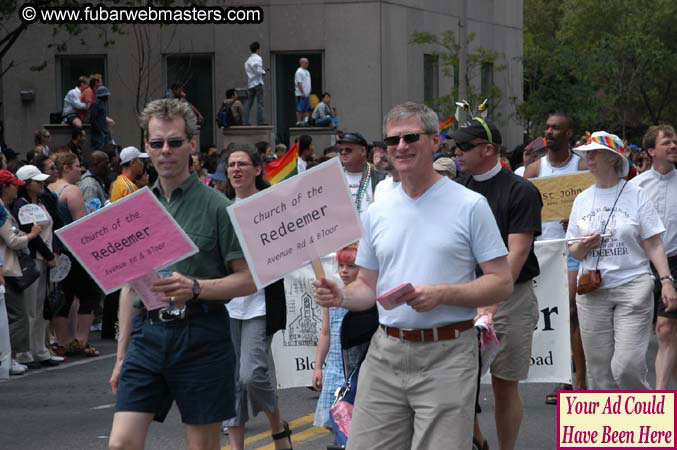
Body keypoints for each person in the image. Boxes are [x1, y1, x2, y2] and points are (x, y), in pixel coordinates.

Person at [312, 102, 513, 450]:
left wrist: (442, 294)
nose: (400, 147)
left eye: (411, 137)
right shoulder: (378, 210)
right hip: (385, 351)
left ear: (435, 142)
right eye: (392, 141)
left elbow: (501, 281)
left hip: (448, 353)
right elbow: (366, 287)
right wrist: (341, 295)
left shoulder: (469, 205)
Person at [108, 98, 256, 450]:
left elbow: (249, 279)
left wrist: (196, 287)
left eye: (174, 142)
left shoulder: (218, 206)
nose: (165, 151)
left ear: (192, 143)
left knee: (202, 447)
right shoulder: (136, 209)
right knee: (120, 444)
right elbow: (131, 289)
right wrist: (121, 356)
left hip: (202, 335)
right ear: (146, 148)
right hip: (148, 334)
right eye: (157, 143)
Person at [454, 117, 542, 450]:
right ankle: (479, 441)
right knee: (459, 383)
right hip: (464, 295)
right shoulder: (458, 189)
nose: (457, 152)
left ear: (488, 149)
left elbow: (517, 254)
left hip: (510, 297)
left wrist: (489, 306)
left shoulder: (521, 190)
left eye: (465, 146)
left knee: (504, 384)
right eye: (456, 146)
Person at [567, 131, 677, 390]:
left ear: (613, 159)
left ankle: (646, 416)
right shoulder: (582, 199)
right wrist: (582, 246)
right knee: (600, 372)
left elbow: (653, 243)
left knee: (625, 367)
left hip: (633, 287)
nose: (589, 159)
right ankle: (614, 429)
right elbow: (572, 250)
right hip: (592, 291)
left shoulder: (636, 194)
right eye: (587, 154)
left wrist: (667, 281)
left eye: (594, 153)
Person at [220, 145, 291, 450]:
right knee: (231, 380)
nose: (236, 169)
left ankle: (277, 425)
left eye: (242, 164)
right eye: (231, 164)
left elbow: (288, 248)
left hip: (260, 303)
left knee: (251, 375)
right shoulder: (220, 208)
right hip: (225, 303)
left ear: (257, 170)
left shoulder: (271, 206)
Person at [524, 113, 589, 401]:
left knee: (573, 311)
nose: (549, 132)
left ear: (568, 133)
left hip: (574, 248)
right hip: (545, 251)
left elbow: (595, 203)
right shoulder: (534, 170)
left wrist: (577, 220)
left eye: (556, 128)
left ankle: (581, 382)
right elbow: (523, 210)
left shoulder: (582, 166)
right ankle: (564, 378)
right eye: (547, 127)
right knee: (558, 317)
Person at [629, 125, 677, 389]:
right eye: (667, 142)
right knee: (651, 335)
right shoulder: (635, 187)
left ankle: (659, 399)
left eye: (675, 142)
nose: (673, 146)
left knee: (666, 330)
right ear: (650, 150)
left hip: (675, 264)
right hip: (640, 266)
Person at [48, 153, 101, 358]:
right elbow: (82, 226)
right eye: (78, 166)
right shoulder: (73, 191)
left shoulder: (51, 188)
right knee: (90, 294)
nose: (80, 169)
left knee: (64, 296)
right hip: (74, 250)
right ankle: (80, 340)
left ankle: (63, 341)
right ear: (67, 167)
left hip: (58, 251)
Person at [12, 165, 61, 369]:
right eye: (37, 181)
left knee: (41, 308)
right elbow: (32, 236)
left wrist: (54, 251)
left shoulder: (40, 202)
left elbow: (51, 228)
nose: (42, 184)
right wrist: (49, 254)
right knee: (31, 307)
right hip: (34, 259)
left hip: (45, 258)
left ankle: (40, 349)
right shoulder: (21, 205)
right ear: (26, 184)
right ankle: (26, 351)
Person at [0, 170, 45, 375]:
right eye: (12, 185)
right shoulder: (1, 210)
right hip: (7, 270)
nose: (16, 188)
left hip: (7, 268)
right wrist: (32, 235)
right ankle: (12, 357)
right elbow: (12, 241)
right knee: (17, 315)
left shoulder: (5, 208)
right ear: (4, 188)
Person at [313, 245, 359, 435]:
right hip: (334, 367)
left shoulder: (366, 298)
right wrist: (318, 366)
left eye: (351, 265)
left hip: (356, 367)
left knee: (356, 423)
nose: (344, 271)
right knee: (335, 423)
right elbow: (325, 333)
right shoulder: (331, 296)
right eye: (341, 265)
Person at [336, 132, 386, 215]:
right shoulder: (334, 178)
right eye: (340, 150)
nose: (343, 152)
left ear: (363, 151)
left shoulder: (381, 179)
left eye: (348, 150)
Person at [244, 42, 267, 126]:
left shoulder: (247, 61)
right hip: (258, 83)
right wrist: (264, 71)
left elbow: (252, 71)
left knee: (249, 104)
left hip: (250, 84)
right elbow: (258, 71)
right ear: (258, 49)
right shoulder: (258, 58)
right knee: (260, 103)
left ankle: (245, 121)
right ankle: (260, 121)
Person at [90, 85, 112, 150]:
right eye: (106, 95)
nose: (107, 97)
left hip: (104, 132)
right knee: (99, 151)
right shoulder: (95, 104)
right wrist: (100, 131)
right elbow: (93, 119)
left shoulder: (102, 104)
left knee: (105, 150)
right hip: (98, 134)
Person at [294, 58, 311, 126]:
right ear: (301, 63)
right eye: (306, 63)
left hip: (307, 94)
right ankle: (299, 121)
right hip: (300, 94)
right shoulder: (299, 72)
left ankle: (304, 121)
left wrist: (308, 92)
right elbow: (299, 83)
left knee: (305, 109)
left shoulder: (307, 72)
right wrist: (303, 92)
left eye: (308, 62)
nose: (308, 64)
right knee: (300, 108)